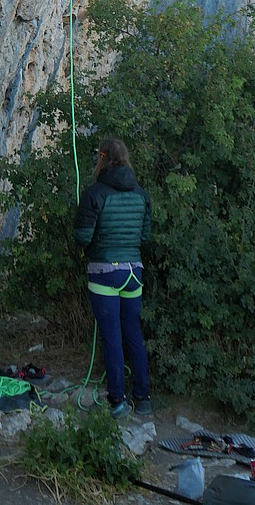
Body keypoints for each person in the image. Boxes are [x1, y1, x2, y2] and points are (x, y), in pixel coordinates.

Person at [73, 137, 152, 418]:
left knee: (111, 338)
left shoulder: (95, 193)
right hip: (133, 271)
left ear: (102, 158)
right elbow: (145, 235)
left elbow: (82, 237)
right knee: (133, 332)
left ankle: (117, 402)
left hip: (105, 271)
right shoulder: (141, 194)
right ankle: (143, 399)